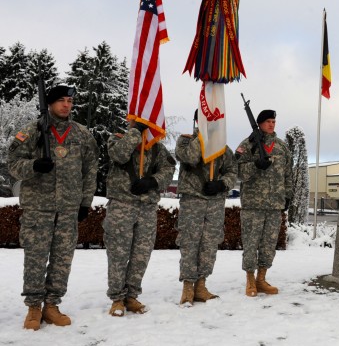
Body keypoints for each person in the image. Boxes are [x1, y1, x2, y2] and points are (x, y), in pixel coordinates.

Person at [8, 84, 98, 330]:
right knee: (36, 259)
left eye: (69, 101)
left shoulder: (81, 134)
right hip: (38, 209)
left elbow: (90, 170)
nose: (66, 105)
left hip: (68, 210)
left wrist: (85, 203)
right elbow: (13, 163)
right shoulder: (34, 131)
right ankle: (34, 308)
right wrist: (34, 166)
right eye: (61, 101)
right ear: (49, 103)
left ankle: (52, 306)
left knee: (62, 259)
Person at [104, 119, 176, 316]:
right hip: (122, 204)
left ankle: (132, 295)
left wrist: (153, 181)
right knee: (118, 254)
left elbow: (169, 170)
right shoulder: (117, 139)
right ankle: (117, 298)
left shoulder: (157, 148)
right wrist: (136, 132)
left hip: (146, 207)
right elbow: (119, 155)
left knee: (141, 254)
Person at [174, 117, 238, 306]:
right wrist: (202, 136)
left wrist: (221, 184)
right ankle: (188, 286)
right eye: (204, 119)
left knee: (210, 243)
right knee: (189, 242)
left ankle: (201, 285)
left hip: (215, 202)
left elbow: (232, 171)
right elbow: (190, 158)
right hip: (193, 199)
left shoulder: (223, 148)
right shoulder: (185, 141)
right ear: (197, 121)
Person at [235, 109, 292, 297]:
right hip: (253, 204)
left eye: (273, 121)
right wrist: (255, 165)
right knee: (251, 243)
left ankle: (262, 278)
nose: (271, 124)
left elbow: (288, 174)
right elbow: (237, 172)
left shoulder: (281, 147)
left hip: (274, 205)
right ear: (259, 123)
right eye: (267, 121)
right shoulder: (248, 145)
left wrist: (288, 195)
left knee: (269, 244)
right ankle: (250, 280)